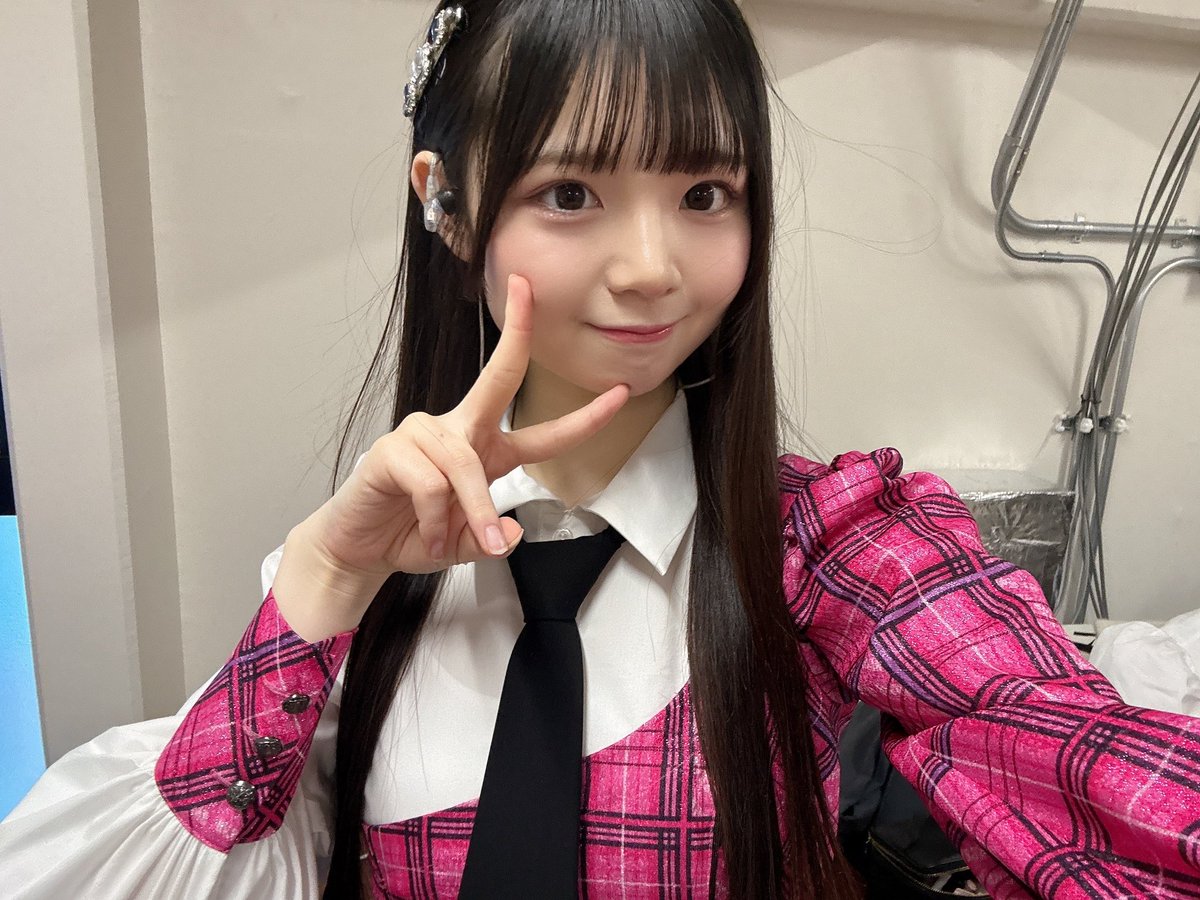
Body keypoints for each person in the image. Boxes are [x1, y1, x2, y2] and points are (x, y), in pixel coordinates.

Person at [3, 1, 1200, 897]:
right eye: (572, 193)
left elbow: (1068, 750)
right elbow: (181, 852)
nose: (652, 267)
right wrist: (322, 575)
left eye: (704, 193)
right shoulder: (357, 582)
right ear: (447, 202)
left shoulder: (833, 541)